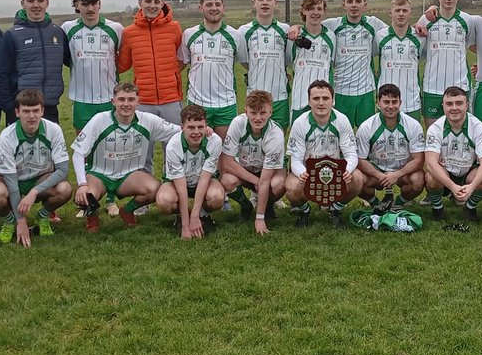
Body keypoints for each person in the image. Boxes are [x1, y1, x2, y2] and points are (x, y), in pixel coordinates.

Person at [71, 83, 180, 233]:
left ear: (138, 102)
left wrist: (204, 130)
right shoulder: (99, 120)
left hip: (129, 176)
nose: (126, 104)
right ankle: (92, 217)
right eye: (121, 99)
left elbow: (179, 132)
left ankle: (127, 210)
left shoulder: (148, 120)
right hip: (100, 175)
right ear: (113, 101)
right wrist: (82, 183)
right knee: (86, 195)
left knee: (155, 189)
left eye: (130, 99)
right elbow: (78, 153)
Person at [0, 89, 72, 246]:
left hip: (40, 180)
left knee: (64, 189)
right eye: (26, 111)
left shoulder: (54, 130)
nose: (31, 116)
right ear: (17, 112)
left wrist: (34, 192)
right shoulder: (7, 136)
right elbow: (11, 181)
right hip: (14, 180)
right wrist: (21, 220)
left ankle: (42, 216)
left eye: (35, 111)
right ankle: (10, 222)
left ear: (42, 111)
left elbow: (63, 170)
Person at [117, 0, 184, 172]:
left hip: (171, 99)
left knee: (173, 149)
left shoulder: (174, 28)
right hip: (144, 100)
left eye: (156, 1)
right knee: (142, 151)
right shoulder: (129, 32)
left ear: (162, 3)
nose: (152, 5)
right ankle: (144, 198)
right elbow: (123, 64)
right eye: (148, 1)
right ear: (140, 2)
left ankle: (172, 194)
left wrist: (171, 76)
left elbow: (182, 58)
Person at [285, 79, 365, 227]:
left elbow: (351, 154)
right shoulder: (300, 123)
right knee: (291, 185)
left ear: (333, 101)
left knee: (358, 178)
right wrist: (303, 173)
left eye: (325, 98)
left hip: (335, 173)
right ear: (309, 101)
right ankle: (304, 211)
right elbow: (295, 160)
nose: (321, 103)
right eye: (316, 98)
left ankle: (335, 210)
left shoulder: (342, 120)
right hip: (309, 173)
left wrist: (346, 171)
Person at [0, 0, 70, 125]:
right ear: (22, 3)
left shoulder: (58, 32)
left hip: (49, 107)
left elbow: (72, 61)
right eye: (30, 0)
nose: (35, 5)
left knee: (49, 146)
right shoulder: (12, 35)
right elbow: (1, 74)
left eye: (40, 0)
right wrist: (10, 107)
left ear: (47, 2)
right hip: (22, 108)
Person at [179, 0, 247, 138]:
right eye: (209, 4)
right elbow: (181, 64)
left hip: (226, 103)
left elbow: (246, 63)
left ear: (224, 7)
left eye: (217, 4)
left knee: (224, 152)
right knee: (197, 152)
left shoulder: (235, 35)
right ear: (200, 7)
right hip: (197, 102)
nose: (214, 8)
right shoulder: (189, 34)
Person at [219, 90, 287, 235]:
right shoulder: (238, 123)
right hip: (246, 168)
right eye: (253, 112)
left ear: (270, 112)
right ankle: (246, 205)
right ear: (246, 111)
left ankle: (266, 207)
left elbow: (266, 179)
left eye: (262, 113)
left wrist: (259, 219)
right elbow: (227, 162)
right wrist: (255, 180)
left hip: (268, 171)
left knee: (278, 184)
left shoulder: (276, 134)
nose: (257, 118)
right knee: (226, 180)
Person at [424, 85, 482, 221]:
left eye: (459, 103)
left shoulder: (478, 127)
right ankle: (438, 208)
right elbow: (431, 163)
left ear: (467, 105)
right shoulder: (435, 128)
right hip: (445, 173)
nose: (454, 108)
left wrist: (471, 187)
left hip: (468, 172)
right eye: (449, 104)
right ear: (443, 106)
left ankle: (469, 207)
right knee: (431, 176)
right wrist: (452, 186)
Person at [323, 0, 389, 127]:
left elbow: (398, 29)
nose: (354, 5)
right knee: (340, 135)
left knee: (366, 135)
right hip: (340, 91)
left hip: (365, 91)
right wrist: (296, 27)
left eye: (358, 1)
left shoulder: (374, 24)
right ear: (344, 5)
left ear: (365, 5)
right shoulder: (333, 25)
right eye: (350, 1)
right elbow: (310, 26)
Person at [155, 104, 225, 238]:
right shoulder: (173, 146)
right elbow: (181, 188)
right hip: (178, 183)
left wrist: (194, 217)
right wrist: (186, 226)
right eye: (191, 127)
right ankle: (182, 216)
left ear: (206, 126)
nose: (196, 132)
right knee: (164, 201)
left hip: (203, 181)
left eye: (200, 127)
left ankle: (201, 214)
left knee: (217, 197)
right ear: (182, 128)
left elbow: (204, 180)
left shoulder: (214, 141)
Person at [355, 83, 426, 214]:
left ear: (400, 103)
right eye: (386, 102)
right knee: (357, 178)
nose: (391, 106)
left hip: (401, 171)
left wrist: (396, 175)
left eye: (395, 102)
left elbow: (419, 160)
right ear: (378, 103)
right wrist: (380, 175)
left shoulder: (413, 125)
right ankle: (375, 203)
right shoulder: (366, 127)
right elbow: (360, 160)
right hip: (377, 171)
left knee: (418, 179)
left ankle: (398, 203)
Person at [63, 0, 122, 132]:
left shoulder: (115, 29)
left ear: (100, 4)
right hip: (82, 100)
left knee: (109, 146)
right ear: (76, 5)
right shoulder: (67, 29)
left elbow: (122, 60)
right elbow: (66, 59)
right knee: (83, 149)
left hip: (109, 97)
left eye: (94, 3)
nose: (90, 8)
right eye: (84, 4)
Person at [415, 0, 475, 124]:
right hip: (432, 86)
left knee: (461, 133)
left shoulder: (468, 20)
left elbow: (474, 46)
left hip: (460, 86)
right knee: (432, 134)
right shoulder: (425, 20)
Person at [240, 0, 293, 129]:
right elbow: (245, 61)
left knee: (278, 140)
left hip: (280, 95)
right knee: (254, 140)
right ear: (254, 2)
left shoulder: (285, 30)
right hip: (255, 95)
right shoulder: (244, 31)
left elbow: (288, 60)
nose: (264, 2)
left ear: (275, 2)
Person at [288, 0, 335, 124]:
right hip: (300, 98)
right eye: (311, 8)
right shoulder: (294, 35)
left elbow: (333, 63)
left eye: (319, 9)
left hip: (324, 99)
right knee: (299, 140)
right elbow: (287, 62)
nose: (315, 12)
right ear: (304, 11)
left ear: (324, 11)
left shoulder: (331, 36)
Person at [376, 0, 424, 122]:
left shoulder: (420, 37)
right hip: (386, 102)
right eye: (397, 10)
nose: (401, 14)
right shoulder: (379, 36)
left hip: (411, 102)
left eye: (404, 10)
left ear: (410, 13)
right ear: (390, 13)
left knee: (412, 139)